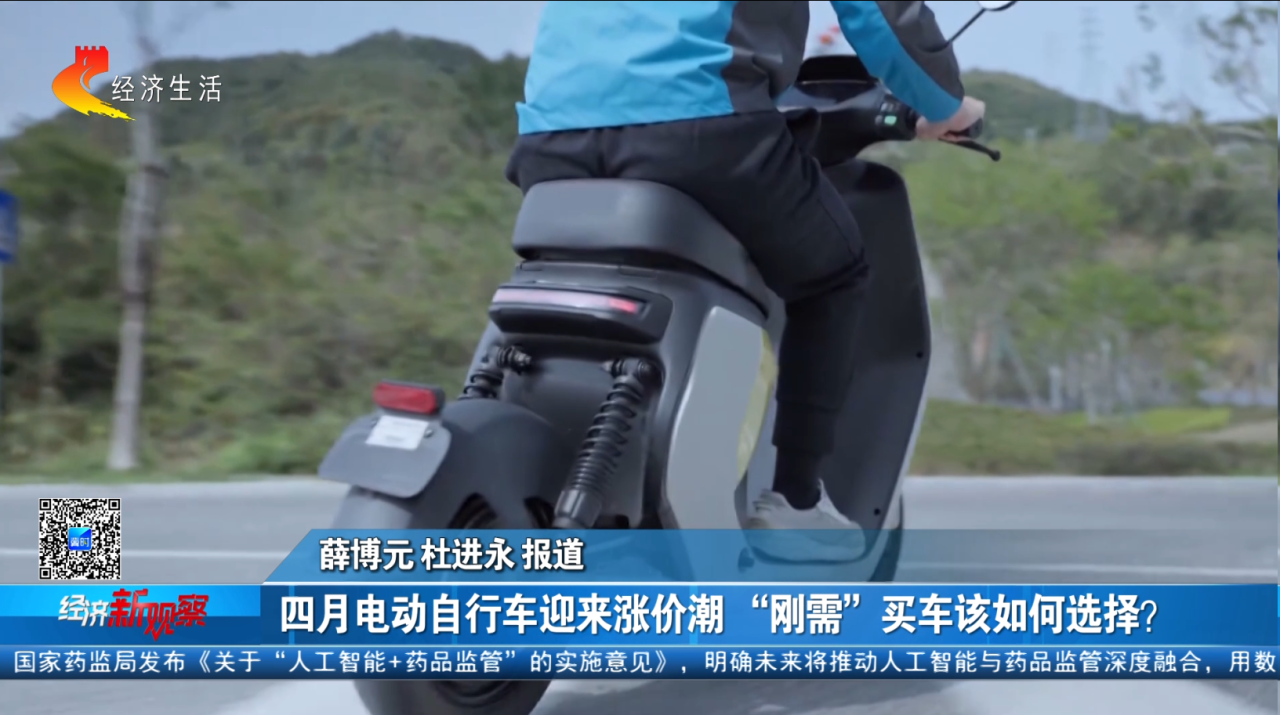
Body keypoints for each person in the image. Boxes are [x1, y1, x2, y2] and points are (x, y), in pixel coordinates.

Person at [507, 1, 985, 561]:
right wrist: (946, 104)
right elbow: (879, 14)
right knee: (835, 273)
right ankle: (797, 503)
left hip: (548, 133)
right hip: (697, 123)